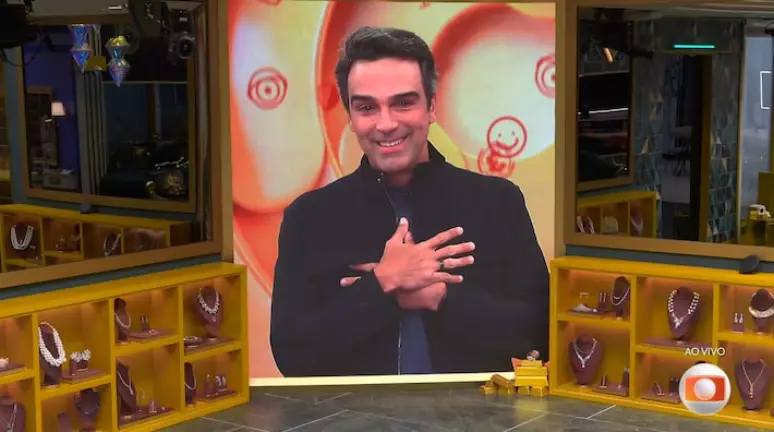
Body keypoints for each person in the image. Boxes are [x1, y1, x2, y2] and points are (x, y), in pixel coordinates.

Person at [270, 26, 549, 377]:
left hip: (474, 409)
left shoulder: (498, 202)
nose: (386, 124)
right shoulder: (309, 217)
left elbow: (540, 333)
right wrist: (382, 285)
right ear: (351, 118)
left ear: (431, 106)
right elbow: (292, 356)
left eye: (403, 103)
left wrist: (438, 296)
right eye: (367, 107)